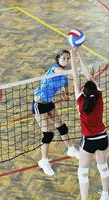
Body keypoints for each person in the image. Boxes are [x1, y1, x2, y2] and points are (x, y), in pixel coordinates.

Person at [32, 49, 79, 176]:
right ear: (58, 59)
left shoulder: (64, 79)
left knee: (62, 126)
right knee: (48, 134)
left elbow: (64, 93)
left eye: (68, 58)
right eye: (64, 58)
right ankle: (43, 160)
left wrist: (65, 96)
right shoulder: (55, 69)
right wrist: (76, 62)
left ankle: (71, 149)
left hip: (48, 103)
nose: (66, 60)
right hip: (38, 104)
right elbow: (69, 73)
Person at [70, 47, 109, 200]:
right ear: (95, 91)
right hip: (103, 138)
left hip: (89, 141)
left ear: (83, 92)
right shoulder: (99, 98)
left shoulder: (80, 100)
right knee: (103, 167)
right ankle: (106, 195)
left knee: (83, 172)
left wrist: (73, 56)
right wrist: (80, 54)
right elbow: (89, 76)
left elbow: (75, 75)